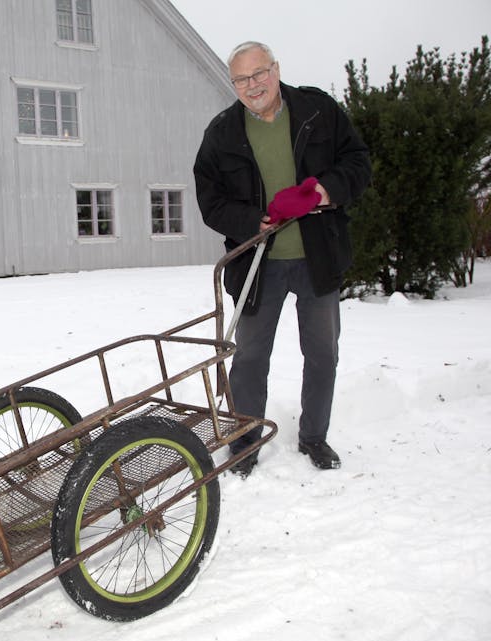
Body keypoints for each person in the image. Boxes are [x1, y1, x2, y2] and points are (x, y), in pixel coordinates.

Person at [194, 41, 371, 475]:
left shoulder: (317, 110)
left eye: (259, 73)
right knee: (250, 357)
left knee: (322, 352)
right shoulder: (222, 133)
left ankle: (314, 437)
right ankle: (245, 440)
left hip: (318, 256)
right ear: (232, 83)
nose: (253, 85)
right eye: (241, 79)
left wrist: (322, 191)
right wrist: (254, 220)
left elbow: (358, 162)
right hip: (258, 264)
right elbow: (210, 201)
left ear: (275, 69)